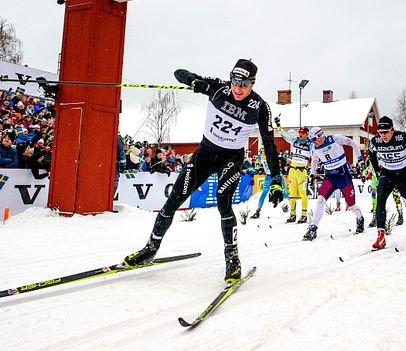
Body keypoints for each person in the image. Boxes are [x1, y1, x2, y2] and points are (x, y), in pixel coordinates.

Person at [123, 59, 282, 286]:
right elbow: (179, 71)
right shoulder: (218, 88)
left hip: (231, 158)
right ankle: (150, 248)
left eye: (244, 85)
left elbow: (269, 144)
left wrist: (275, 178)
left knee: (223, 203)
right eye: (235, 82)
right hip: (205, 154)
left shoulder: (261, 107)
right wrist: (194, 82)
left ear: (253, 84)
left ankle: (232, 259)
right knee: (174, 198)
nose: (237, 89)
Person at [366, 116, 406, 249]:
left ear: (392, 130)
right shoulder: (375, 141)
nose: (383, 135)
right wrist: (377, 171)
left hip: (403, 174)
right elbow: (371, 155)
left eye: (386, 132)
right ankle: (380, 236)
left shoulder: (403, 137)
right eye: (380, 132)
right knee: (380, 202)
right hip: (387, 174)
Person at [302, 127, 364, 241]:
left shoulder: (336, 138)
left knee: (351, 205)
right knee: (320, 200)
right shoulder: (314, 147)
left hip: (343, 176)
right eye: (311, 140)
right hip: (330, 177)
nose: (313, 142)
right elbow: (315, 159)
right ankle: (313, 228)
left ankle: (360, 218)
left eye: (315, 139)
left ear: (320, 135)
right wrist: (312, 173)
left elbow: (354, 143)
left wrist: (360, 159)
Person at [276, 122, 312, 223]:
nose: (300, 134)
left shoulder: (310, 145)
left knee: (303, 193)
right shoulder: (294, 141)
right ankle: (292, 214)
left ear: (307, 134)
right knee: (291, 194)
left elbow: (317, 154)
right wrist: (278, 125)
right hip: (292, 171)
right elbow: (283, 135)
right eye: (299, 132)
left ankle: (304, 215)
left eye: (303, 132)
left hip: (302, 172)